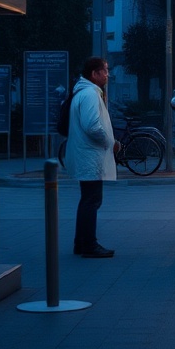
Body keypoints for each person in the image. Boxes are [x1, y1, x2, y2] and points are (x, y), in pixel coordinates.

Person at [65, 56, 117, 258]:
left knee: (88, 199)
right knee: (92, 200)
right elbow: (92, 126)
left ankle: (81, 242)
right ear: (94, 74)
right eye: (104, 70)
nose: (107, 74)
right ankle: (89, 244)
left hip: (86, 154)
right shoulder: (89, 94)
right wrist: (108, 143)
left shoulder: (85, 92)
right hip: (90, 156)